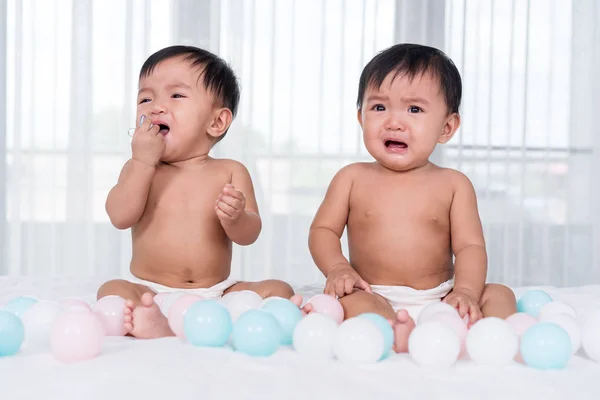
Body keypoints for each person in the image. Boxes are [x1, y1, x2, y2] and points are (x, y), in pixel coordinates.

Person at [307, 43, 517, 352]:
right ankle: (391, 330)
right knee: (352, 305)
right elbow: (322, 231)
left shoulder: (453, 184)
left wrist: (467, 292)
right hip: (372, 291)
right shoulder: (351, 178)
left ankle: (490, 332)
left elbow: (470, 246)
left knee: (499, 293)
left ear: (446, 127)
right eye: (379, 108)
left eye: (414, 109)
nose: (393, 122)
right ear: (360, 117)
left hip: (442, 295)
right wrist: (338, 268)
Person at [97, 45, 300, 339]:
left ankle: (219, 319)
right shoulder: (139, 168)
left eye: (176, 95)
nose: (155, 107)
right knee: (111, 290)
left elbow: (249, 234)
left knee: (279, 289)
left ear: (217, 121)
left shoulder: (230, 171)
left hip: (215, 294)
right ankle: (159, 322)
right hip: (150, 291)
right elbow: (119, 216)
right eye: (145, 98)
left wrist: (236, 218)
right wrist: (142, 162)